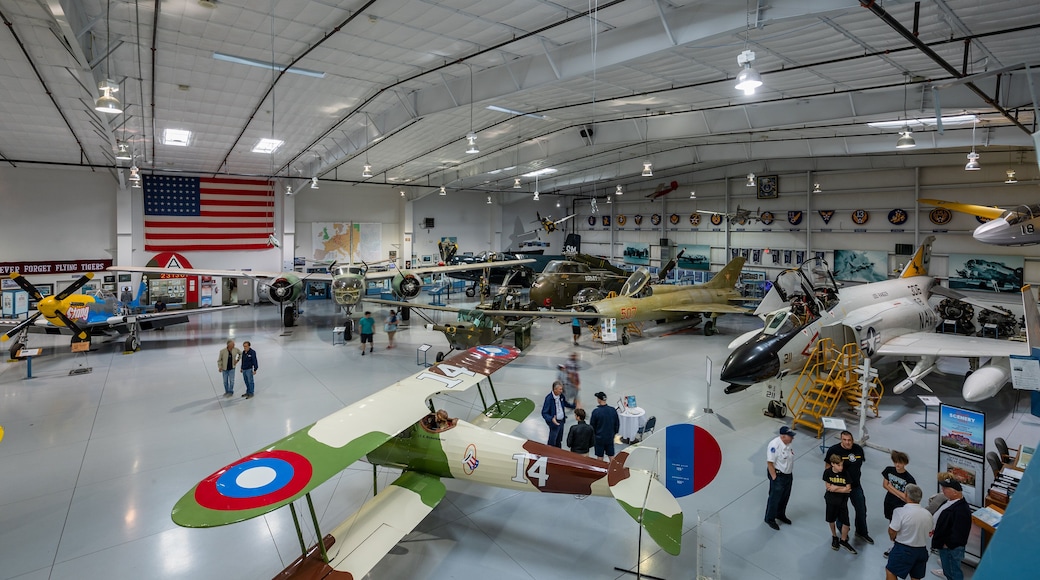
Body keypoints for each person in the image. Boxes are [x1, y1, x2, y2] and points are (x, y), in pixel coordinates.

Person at [825, 430, 872, 544]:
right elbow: (827, 467)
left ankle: (862, 531)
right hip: (840, 488)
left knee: (861, 509)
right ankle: (842, 531)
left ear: (853, 440)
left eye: (849, 440)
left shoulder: (858, 449)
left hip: (855, 485)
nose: (847, 442)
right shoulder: (833, 450)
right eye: (844, 440)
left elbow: (859, 464)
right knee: (841, 511)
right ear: (841, 440)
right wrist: (830, 484)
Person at [885, 484, 933, 580]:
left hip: (903, 549)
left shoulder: (900, 512)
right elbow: (929, 531)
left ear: (906, 495)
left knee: (891, 571)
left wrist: (893, 538)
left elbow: (892, 530)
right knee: (915, 577)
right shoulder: (927, 514)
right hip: (921, 550)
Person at [931, 479, 971, 580]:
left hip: (950, 549)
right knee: (948, 570)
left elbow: (960, 533)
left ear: (955, 492)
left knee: (953, 572)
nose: (942, 490)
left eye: (945, 488)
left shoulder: (962, 510)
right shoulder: (949, 501)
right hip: (945, 545)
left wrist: (947, 544)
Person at [882, 450, 917, 557]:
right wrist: (899, 494)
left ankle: (898, 546)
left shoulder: (909, 479)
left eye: (900, 463)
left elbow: (907, 498)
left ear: (905, 463)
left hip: (901, 506)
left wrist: (892, 488)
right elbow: (885, 485)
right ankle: (894, 544)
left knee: (901, 526)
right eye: (896, 462)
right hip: (889, 502)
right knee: (892, 523)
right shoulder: (889, 470)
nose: (897, 465)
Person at [823, 453, 857, 554]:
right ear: (833, 464)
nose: (841, 467)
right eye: (839, 465)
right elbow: (828, 487)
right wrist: (842, 489)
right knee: (831, 519)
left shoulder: (845, 473)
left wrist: (836, 488)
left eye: (842, 465)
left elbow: (848, 489)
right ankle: (834, 536)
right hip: (831, 501)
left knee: (846, 522)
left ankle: (843, 540)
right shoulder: (827, 473)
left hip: (842, 502)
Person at [765, 426, 796, 530]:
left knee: (785, 496)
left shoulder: (788, 444)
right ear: (783, 436)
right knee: (774, 498)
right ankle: (770, 518)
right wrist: (774, 478)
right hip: (778, 475)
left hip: (788, 475)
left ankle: (780, 514)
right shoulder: (774, 445)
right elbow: (770, 463)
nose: (793, 438)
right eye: (790, 436)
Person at [541, 381, 574, 448]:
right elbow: (544, 413)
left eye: (562, 389)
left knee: (559, 440)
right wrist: (551, 419)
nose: (561, 391)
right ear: (555, 389)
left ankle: (558, 453)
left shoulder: (561, 396)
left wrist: (574, 406)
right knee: (552, 441)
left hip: (561, 421)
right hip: (554, 423)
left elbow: (566, 403)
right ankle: (550, 454)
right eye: (560, 389)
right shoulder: (549, 399)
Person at [589, 391, 619, 461]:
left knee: (600, 457)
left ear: (599, 400)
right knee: (611, 456)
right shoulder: (613, 410)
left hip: (599, 438)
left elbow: (592, 426)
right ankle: (614, 469)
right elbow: (617, 424)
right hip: (610, 437)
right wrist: (613, 433)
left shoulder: (596, 412)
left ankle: (600, 471)